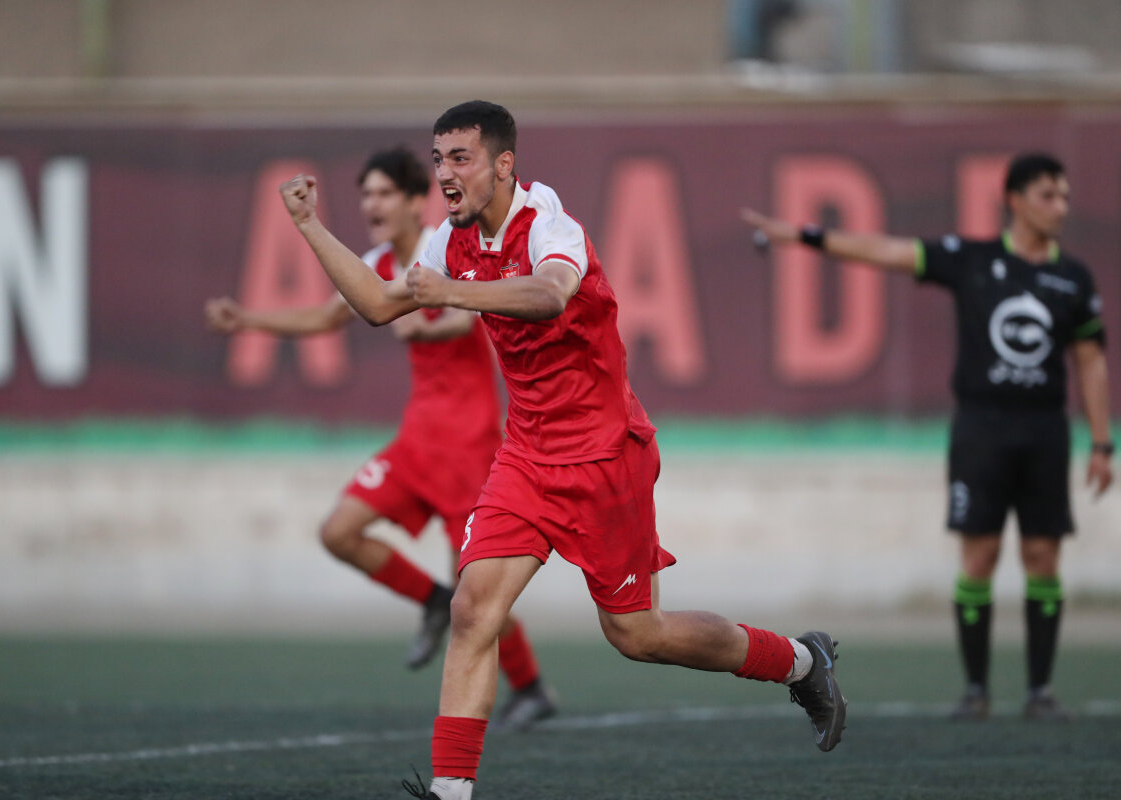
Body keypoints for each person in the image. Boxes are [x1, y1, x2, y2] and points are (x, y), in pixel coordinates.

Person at [278, 101, 846, 800]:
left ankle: (799, 662)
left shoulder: (549, 223)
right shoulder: (451, 239)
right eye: (439, 159)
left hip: (606, 457)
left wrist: (454, 291)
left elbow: (549, 294)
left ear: (503, 164)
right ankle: (450, 793)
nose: (446, 174)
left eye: (461, 158)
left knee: (638, 635)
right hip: (525, 457)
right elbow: (374, 304)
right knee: (472, 608)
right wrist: (308, 225)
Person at [742, 152, 1113, 722]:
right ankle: (975, 689)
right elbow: (887, 251)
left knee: (1043, 556)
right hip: (981, 429)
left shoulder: (1074, 278)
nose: (1059, 207)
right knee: (979, 555)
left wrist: (1102, 443)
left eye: (1064, 196)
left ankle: (1040, 690)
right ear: (1014, 201)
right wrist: (804, 236)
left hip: (1044, 431)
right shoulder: (971, 259)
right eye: (1047, 195)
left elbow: (1090, 361)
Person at [206, 147, 556, 732]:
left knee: (476, 594)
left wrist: (427, 323)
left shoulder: (447, 248)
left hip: (470, 450)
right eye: (366, 194)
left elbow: (467, 315)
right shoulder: (378, 265)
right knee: (339, 532)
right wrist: (248, 320)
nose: (372, 204)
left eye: (384, 193)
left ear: (416, 201)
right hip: (417, 443)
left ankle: (531, 687)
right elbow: (326, 318)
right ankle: (430, 601)